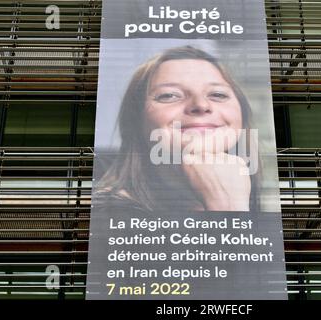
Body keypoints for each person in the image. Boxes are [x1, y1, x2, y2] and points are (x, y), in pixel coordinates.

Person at [96, 46, 261, 212]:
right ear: (136, 120)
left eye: (218, 94)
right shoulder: (104, 216)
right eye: (169, 95)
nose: (201, 105)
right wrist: (228, 208)